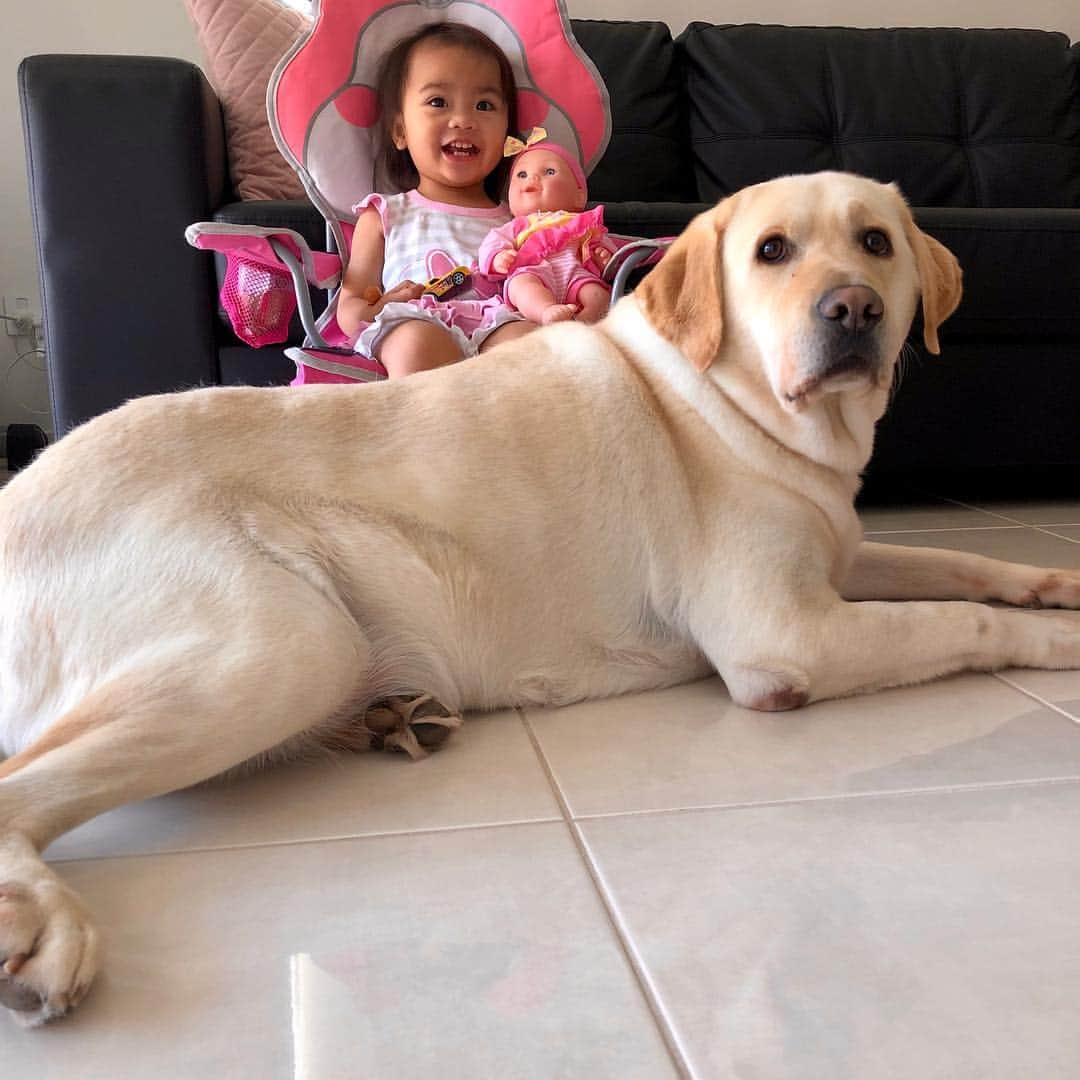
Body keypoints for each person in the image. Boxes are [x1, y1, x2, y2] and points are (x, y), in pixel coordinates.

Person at [335, 24, 533, 378]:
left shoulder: (517, 222)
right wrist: (384, 305)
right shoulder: (385, 215)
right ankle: (430, 431)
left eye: (484, 105)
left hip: (496, 324)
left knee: (534, 347)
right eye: (438, 102)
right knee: (416, 344)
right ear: (400, 131)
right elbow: (349, 310)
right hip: (413, 321)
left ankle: (509, 432)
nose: (463, 120)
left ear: (507, 134)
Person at [477, 129, 617, 325]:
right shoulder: (518, 225)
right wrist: (497, 258)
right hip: (533, 270)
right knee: (522, 287)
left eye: (549, 172)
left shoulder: (583, 222)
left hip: (576, 274)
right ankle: (545, 311)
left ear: (579, 195)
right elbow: (491, 244)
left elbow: (609, 248)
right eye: (522, 174)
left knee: (598, 296)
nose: (532, 179)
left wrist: (604, 256)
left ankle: (582, 325)